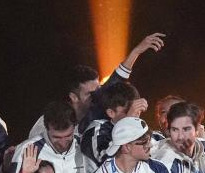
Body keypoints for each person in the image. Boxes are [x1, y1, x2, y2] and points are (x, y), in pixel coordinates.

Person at [26, 33, 166, 140]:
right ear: (73, 97)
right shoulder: (49, 122)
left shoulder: (97, 110)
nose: (97, 95)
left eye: (98, 90)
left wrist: (136, 52)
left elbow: (115, 81)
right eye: (90, 93)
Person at [12, 101, 97, 173]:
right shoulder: (27, 150)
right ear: (46, 128)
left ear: (75, 127)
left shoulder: (86, 146)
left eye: (68, 136)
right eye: (57, 137)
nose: (63, 143)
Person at [81, 81, 148, 165]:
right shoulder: (96, 129)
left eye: (137, 110)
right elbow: (106, 162)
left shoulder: (142, 130)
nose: (136, 115)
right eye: (128, 111)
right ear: (111, 113)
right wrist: (128, 124)